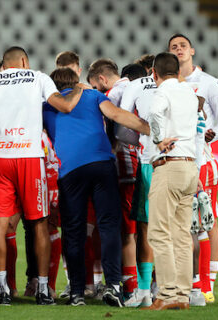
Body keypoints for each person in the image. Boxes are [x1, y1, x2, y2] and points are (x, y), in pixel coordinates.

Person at [0, 46, 84, 306]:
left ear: (4, 64)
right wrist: (80, 89)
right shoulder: (38, 77)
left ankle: (3, 290)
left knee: (0, 224)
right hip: (29, 157)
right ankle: (42, 289)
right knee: (39, 222)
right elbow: (65, 106)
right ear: (24, 61)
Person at [43, 67, 149, 307]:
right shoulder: (93, 96)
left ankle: (77, 292)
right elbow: (118, 115)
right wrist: (150, 130)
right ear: (77, 82)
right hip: (102, 165)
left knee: (74, 231)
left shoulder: (47, 105)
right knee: (109, 226)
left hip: (70, 171)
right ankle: (112, 285)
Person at [168, 33, 218, 303]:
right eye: (173, 47)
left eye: (183, 45)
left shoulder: (208, 83)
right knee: (181, 224)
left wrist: (208, 136)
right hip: (173, 162)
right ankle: (189, 281)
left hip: (201, 162)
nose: (179, 49)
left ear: (192, 51)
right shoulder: (166, 82)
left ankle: (209, 285)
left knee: (206, 222)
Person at [143, 52, 199, 311]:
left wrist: (157, 139)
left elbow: (154, 114)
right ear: (177, 72)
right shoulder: (189, 91)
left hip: (169, 166)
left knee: (160, 232)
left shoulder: (162, 92)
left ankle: (165, 294)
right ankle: (183, 295)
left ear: (154, 73)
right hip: (190, 168)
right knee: (181, 235)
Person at [87, 58, 138, 301]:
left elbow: (112, 128)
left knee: (125, 232)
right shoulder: (139, 86)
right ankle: (149, 283)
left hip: (124, 168)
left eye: (96, 87)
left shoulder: (113, 94)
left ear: (102, 80)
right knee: (143, 229)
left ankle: (130, 288)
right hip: (144, 166)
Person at [119, 68, 158, 308]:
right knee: (172, 229)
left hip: (150, 162)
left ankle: (147, 289)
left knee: (145, 228)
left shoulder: (135, 88)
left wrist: (141, 140)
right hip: (178, 162)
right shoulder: (188, 90)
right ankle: (171, 289)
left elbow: (122, 126)